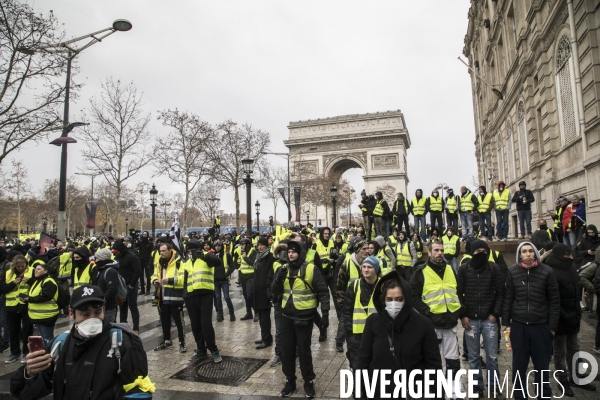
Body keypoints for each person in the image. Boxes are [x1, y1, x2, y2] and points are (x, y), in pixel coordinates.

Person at [10, 285, 155, 400]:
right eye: (85, 314)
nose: (92, 319)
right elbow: (25, 393)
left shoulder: (123, 343)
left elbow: (139, 392)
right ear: (71, 314)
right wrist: (28, 373)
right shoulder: (59, 345)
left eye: (97, 312)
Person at [358, 270, 442, 399]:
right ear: (383, 299)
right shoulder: (373, 322)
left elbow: (434, 367)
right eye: (389, 299)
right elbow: (364, 361)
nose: (394, 304)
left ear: (406, 299)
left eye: (399, 299)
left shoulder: (424, 324)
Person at [271, 240, 330, 398]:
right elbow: (274, 291)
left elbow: (323, 292)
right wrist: (278, 279)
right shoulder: (283, 269)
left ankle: (308, 382)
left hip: (304, 317)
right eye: (289, 251)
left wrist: (325, 314)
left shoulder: (311, 269)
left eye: (294, 251)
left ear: (301, 253)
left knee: (304, 352)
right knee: (287, 352)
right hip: (287, 316)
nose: (290, 254)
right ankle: (290, 380)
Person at [502, 242, 560, 399]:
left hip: (540, 326)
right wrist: (505, 323)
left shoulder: (547, 272)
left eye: (530, 251)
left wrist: (552, 328)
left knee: (542, 367)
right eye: (524, 251)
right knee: (519, 366)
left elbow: (554, 301)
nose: (527, 254)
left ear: (535, 253)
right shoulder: (513, 271)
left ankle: (543, 395)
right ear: (519, 255)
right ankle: (520, 395)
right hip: (519, 326)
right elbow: (508, 298)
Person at [410, 241, 464, 399]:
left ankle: (454, 393)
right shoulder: (420, 272)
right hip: (432, 324)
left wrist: (459, 312)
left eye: (442, 250)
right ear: (430, 252)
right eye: (436, 250)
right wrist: (427, 313)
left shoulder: (449, 269)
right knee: (433, 361)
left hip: (450, 323)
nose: (440, 253)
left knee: (453, 361)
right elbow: (414, 297)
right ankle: (434, 392)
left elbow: (456, 292)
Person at [456, 240, 505, 397]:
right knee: (473, 356)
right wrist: (462, 315)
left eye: (484, 251)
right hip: (471, 320)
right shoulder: (464, 269)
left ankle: (493, 384)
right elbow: (458, 294)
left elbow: (501, 292)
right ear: (472, 253)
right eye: (477, 252)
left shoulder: (493, 268)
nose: (481, 254)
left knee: (492, 356)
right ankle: (477, 385)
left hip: (489, 319)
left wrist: (495, 314)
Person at [546, 244, 596, 395]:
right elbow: (552, 299)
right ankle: (563, 380)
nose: (572, 256)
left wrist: (576, 314)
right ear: (562, 255)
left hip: (573, 317)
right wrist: (564, 315)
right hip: (560, 319)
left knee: (574, 348)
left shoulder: (571, 268)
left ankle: (576, 377)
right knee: (560, 352)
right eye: (569, 254)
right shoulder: (552, 272)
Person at [183, 240, 222, 362]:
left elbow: (217, 262)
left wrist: (204, 255)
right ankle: (201, 349)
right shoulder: (187, 263)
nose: (190, 253)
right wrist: (185, 294)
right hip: (191, 296)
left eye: (192, 250)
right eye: (188, 251)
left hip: (205, 294)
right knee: (195, 325)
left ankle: (213, 349)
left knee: (206, 324)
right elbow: (185, 279)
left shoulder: (206, 258)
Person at [343, 255, 380, 370]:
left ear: (376, 270)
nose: (366, 270)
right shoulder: (355, 285)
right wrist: (350, 336)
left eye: (369, 267)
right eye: (364, 267)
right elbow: (347, 311)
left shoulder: (383, 286)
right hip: (357, 336)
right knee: (358, 367)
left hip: (376, 335)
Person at [152, 243, 186, 353]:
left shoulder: (179, 261)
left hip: (175, 296)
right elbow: (154, 274)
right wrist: (154, 281)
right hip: (162, 296)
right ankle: (166, 339)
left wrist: (170, 280)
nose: (161, 253)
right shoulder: (159, 261)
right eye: (160, 251)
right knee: (164, 320)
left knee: (179, 321)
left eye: (163, 251)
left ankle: (182, 342)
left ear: (170, 250)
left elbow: (183, 278)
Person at [1, 255, 33, 364]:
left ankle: (26, 352)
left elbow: (37, 285)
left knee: (27, 330)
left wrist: (29, 281)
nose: (20, 268)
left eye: (22, 266)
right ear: (14, 265)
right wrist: (12, 283)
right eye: (18, 266)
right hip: (11, 305)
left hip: (26, 304)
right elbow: (2, 289)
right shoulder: (8, 274)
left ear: (26, 265)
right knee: (13, 330)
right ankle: (15, 352)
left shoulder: (31, 271)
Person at [25, 263, 59, 344]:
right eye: (36, 269)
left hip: (47, 316)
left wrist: (29, 299)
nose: (36, 271)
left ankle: (51, 354)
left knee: (48, 339)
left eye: (39, 269)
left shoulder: (48, 281)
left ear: (46, 271)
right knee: (43, 339)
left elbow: (46, 296)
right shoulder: (38, 281)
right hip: (38, 316)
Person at [113, 239, 141, 334]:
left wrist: (132, 285)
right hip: (121, 286)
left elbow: (137, 271)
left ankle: (136, 327)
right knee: (122, 307)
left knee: (133, 306)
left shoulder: (132, 257)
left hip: (130, 285)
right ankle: (123, 325)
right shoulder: (117, 258)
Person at [253, 238, 275, 349]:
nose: (260, 247)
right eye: (259, 245)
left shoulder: (270, 257)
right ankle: (265, 336)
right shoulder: (258, 258)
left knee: (265, 317)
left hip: (265, 291)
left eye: (262, 245)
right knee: (261, 317)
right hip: (258, 291)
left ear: (266, 246)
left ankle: (267, 340)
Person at [92, 248, 119, 323]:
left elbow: (112, 289)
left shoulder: (110, 271)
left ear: (102, 259)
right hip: (101, 306)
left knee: (108, 327)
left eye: (97, 259)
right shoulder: (101, 269)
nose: (95, 261)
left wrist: (102, 300)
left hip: (108, 307)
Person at [233, 238, 257, 321]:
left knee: (250, 295)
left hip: (250, 276)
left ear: (247, 245)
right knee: (246, 296)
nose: (241, 246)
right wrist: (238, 268)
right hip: (242, 276)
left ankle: (256, 312)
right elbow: (237, 262)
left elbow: (254, 263)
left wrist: (246, 257)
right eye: (241, 245)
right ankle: (249, 313)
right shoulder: (241, 251)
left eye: (243, 245)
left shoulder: (253, 251)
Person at [213, 240, 235, 322]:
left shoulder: (226, 255)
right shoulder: (213, 255)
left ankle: (232, 314)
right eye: (216, 246)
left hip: (224, 280)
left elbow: (232, 266)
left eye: (219, 246)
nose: (217, 247)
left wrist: (226, 274)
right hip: (215, 280)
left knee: (226, 297)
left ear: (221, 246)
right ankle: (220, 315)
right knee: (218, 298)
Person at [137, 231, 153, 295]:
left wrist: (150, 262)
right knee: (141, 276)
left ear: (147, 235)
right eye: (143, 234)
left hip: (147, 261)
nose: (144, 235)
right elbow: (136, 246)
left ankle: (148, 289)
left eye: (145, 234)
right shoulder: (140, 242)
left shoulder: (150, 243)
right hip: (141, 260)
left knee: (147, 276)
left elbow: (151, 253)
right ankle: (142, 289)